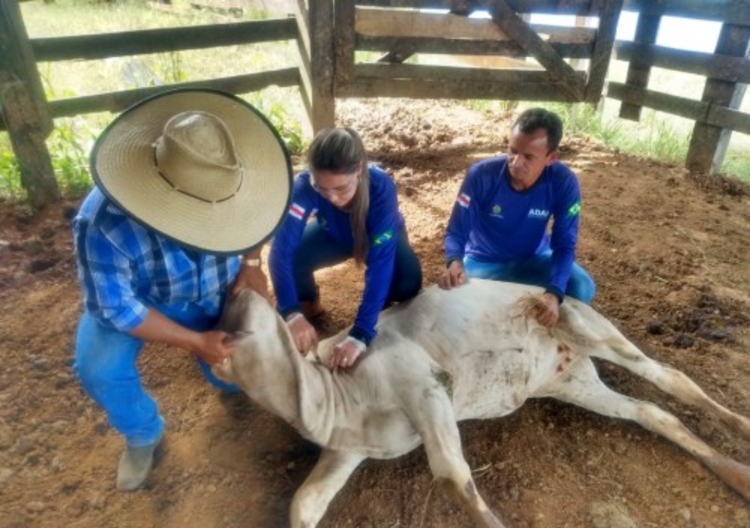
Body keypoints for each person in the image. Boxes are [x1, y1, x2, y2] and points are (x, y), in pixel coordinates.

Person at [72, 88, 292, 491]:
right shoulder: (101, 222)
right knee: (99, 369)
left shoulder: (245, 174)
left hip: (213, 288)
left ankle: (226, 382)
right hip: (141, 298)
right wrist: (195, 341)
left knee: (231, 367)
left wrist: (251, 261)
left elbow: (262, 215)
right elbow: (116, 308)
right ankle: (143, 433)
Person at [269, 127, 422, 369]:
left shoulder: (381, 187)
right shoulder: (304, 186)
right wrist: (291, 311)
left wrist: (361, 331)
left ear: (359, 170)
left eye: (340, 188)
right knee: (295, 254)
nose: (331, 197)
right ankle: (308, 303)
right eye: (322, 188)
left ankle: (381, 312)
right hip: (334, 233)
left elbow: (381, 262)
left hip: (378, 239)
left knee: (407, 282)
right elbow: (280, 251)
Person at [439, 107, 596, 327]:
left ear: (551, 157)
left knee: (581, 287)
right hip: (482, 263)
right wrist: (454, 262)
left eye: (529, 157)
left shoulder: (564, 181)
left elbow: (564, 244)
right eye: (512, 150)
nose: (515, 162)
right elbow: (456, 231)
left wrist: (554, 293)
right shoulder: (481, 175)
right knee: (457, 310)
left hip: (534, 260)